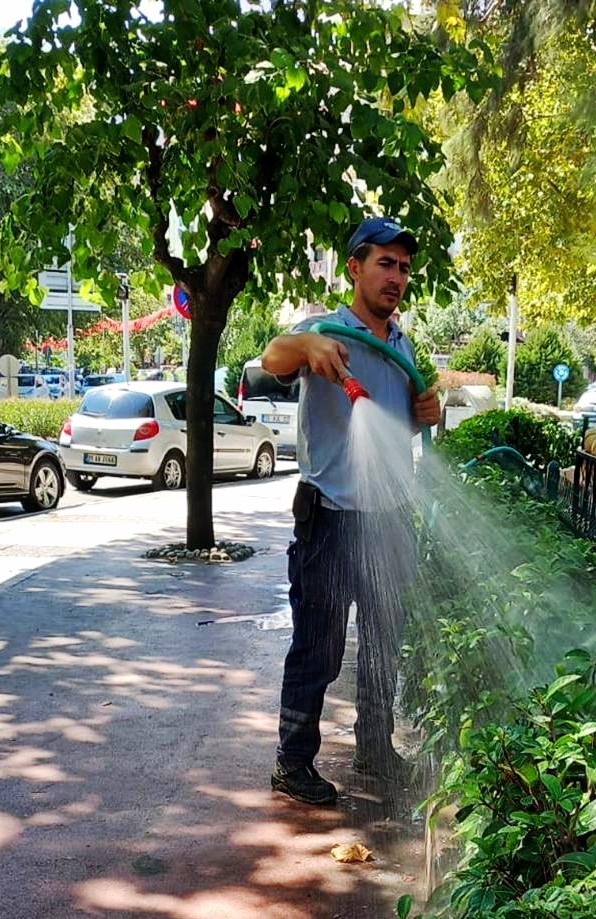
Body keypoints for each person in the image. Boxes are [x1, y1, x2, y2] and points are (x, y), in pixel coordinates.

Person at [261, 217, 441, 805]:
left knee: (386, 641)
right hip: (332, 517)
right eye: (385, 264)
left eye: (405, 267)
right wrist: (307, 345)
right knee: (320, 645)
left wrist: (425, 411)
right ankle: (292, 763)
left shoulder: (400, 345)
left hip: (388, 521)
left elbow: (402, 422)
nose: (397, 277)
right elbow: (273, 356)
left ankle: (374, 748)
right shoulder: (324, 330)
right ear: (355, 269)